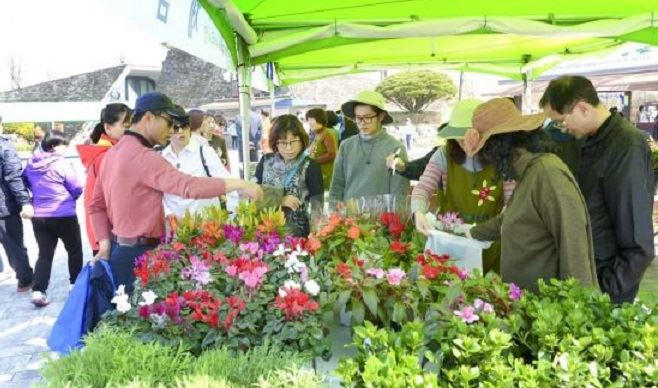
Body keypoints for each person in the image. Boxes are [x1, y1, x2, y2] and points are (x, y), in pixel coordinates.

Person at [89, 92, 262, 294]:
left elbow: (96, 206)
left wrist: (104, 244)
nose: (172, 131)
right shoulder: (144, 157)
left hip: (119, 252)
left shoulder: (112, 154)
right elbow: (187, 186)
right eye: (169, 122)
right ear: (149, 118)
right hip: (141, 255)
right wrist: (239, 184)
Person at [541, 75, 654, 303]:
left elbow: (639, 246)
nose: (563, 129)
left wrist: (604, 292)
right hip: (586, 274)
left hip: (607, 287)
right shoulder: (586, 139)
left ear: (583, 108)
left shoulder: (626, 145)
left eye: (562, 122)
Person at [466, 98, 598, 292]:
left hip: (546, 311)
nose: (488, 161)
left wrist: (578, 306)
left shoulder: (547, 174)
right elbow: (512, 219)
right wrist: (467, 233)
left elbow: (574, 248)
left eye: (487, 153)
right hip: (527, 304)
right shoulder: (529, 172)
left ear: (499, 147)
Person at [410, 99, 511, 274]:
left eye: (470, 135)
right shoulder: (443, 155)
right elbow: (423, 188)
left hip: (490, 243)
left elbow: (511, 201)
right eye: (459, 136)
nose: (464, 142)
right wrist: (418, 212)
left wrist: (500, 223)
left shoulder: (502, 158)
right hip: (452, 241)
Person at [23, 131, 84, 307]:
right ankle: (75, 285)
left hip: (40, 216)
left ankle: (38, 291)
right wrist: (72, 197)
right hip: (63, 214)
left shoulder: (31, 163)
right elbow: (76, 187)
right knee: (74, 250)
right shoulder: (62, 163)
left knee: (45, 254)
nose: (66, 147)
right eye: (63, 144)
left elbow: (24, 182)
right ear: (53, 146)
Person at [330, 91, 409, 202]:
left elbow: (399, 192)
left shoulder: (395, 147)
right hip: (350, 216)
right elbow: (337, 185)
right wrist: (334, 212)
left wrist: (395, 218)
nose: (362, 123)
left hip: (381, 217)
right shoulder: (346, 146)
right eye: (358, 118)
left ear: (381, 116)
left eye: (368, 117)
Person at [76, 103, 131, 255]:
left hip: (109, 235)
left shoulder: (107, 152)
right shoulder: (107, 156)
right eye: (125, 125)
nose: (130, 129)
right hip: (111, 237)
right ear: (108, 127)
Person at [255, 115, 323, 237]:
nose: (289, 148)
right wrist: (280, 200)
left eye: (294, 142)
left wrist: (315, 234)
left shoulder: (310, 166)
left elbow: (317, 206)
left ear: (302, 140)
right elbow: (253, 195)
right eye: (283, 142)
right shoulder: (266, 162)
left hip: (296, 235)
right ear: (275, 142)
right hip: (265, 232)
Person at [162, 116, 237, 218]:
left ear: (189, 129)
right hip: (175, 228)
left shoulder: (205, 152)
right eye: (175, 128)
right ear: (168, 131)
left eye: (184, 127)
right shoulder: (161, 157)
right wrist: (167, 213)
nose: (180, 131)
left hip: (207, 226)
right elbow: (157, 194)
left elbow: (228, 183)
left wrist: (232, 216)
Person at [0, 115, 33, 291]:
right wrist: (25, 202)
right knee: (14, 245)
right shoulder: (4, 147)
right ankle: (25, 279)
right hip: (4, 207)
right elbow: (13, 177)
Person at [306, 108, 337, 190]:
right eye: (308, 119)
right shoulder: (316, 134)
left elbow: (332, 154)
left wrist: (313, 161)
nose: (309, 122)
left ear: (320, 120)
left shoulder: (327, 134)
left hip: (324, 173)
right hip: (317, 172)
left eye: (312, 120)